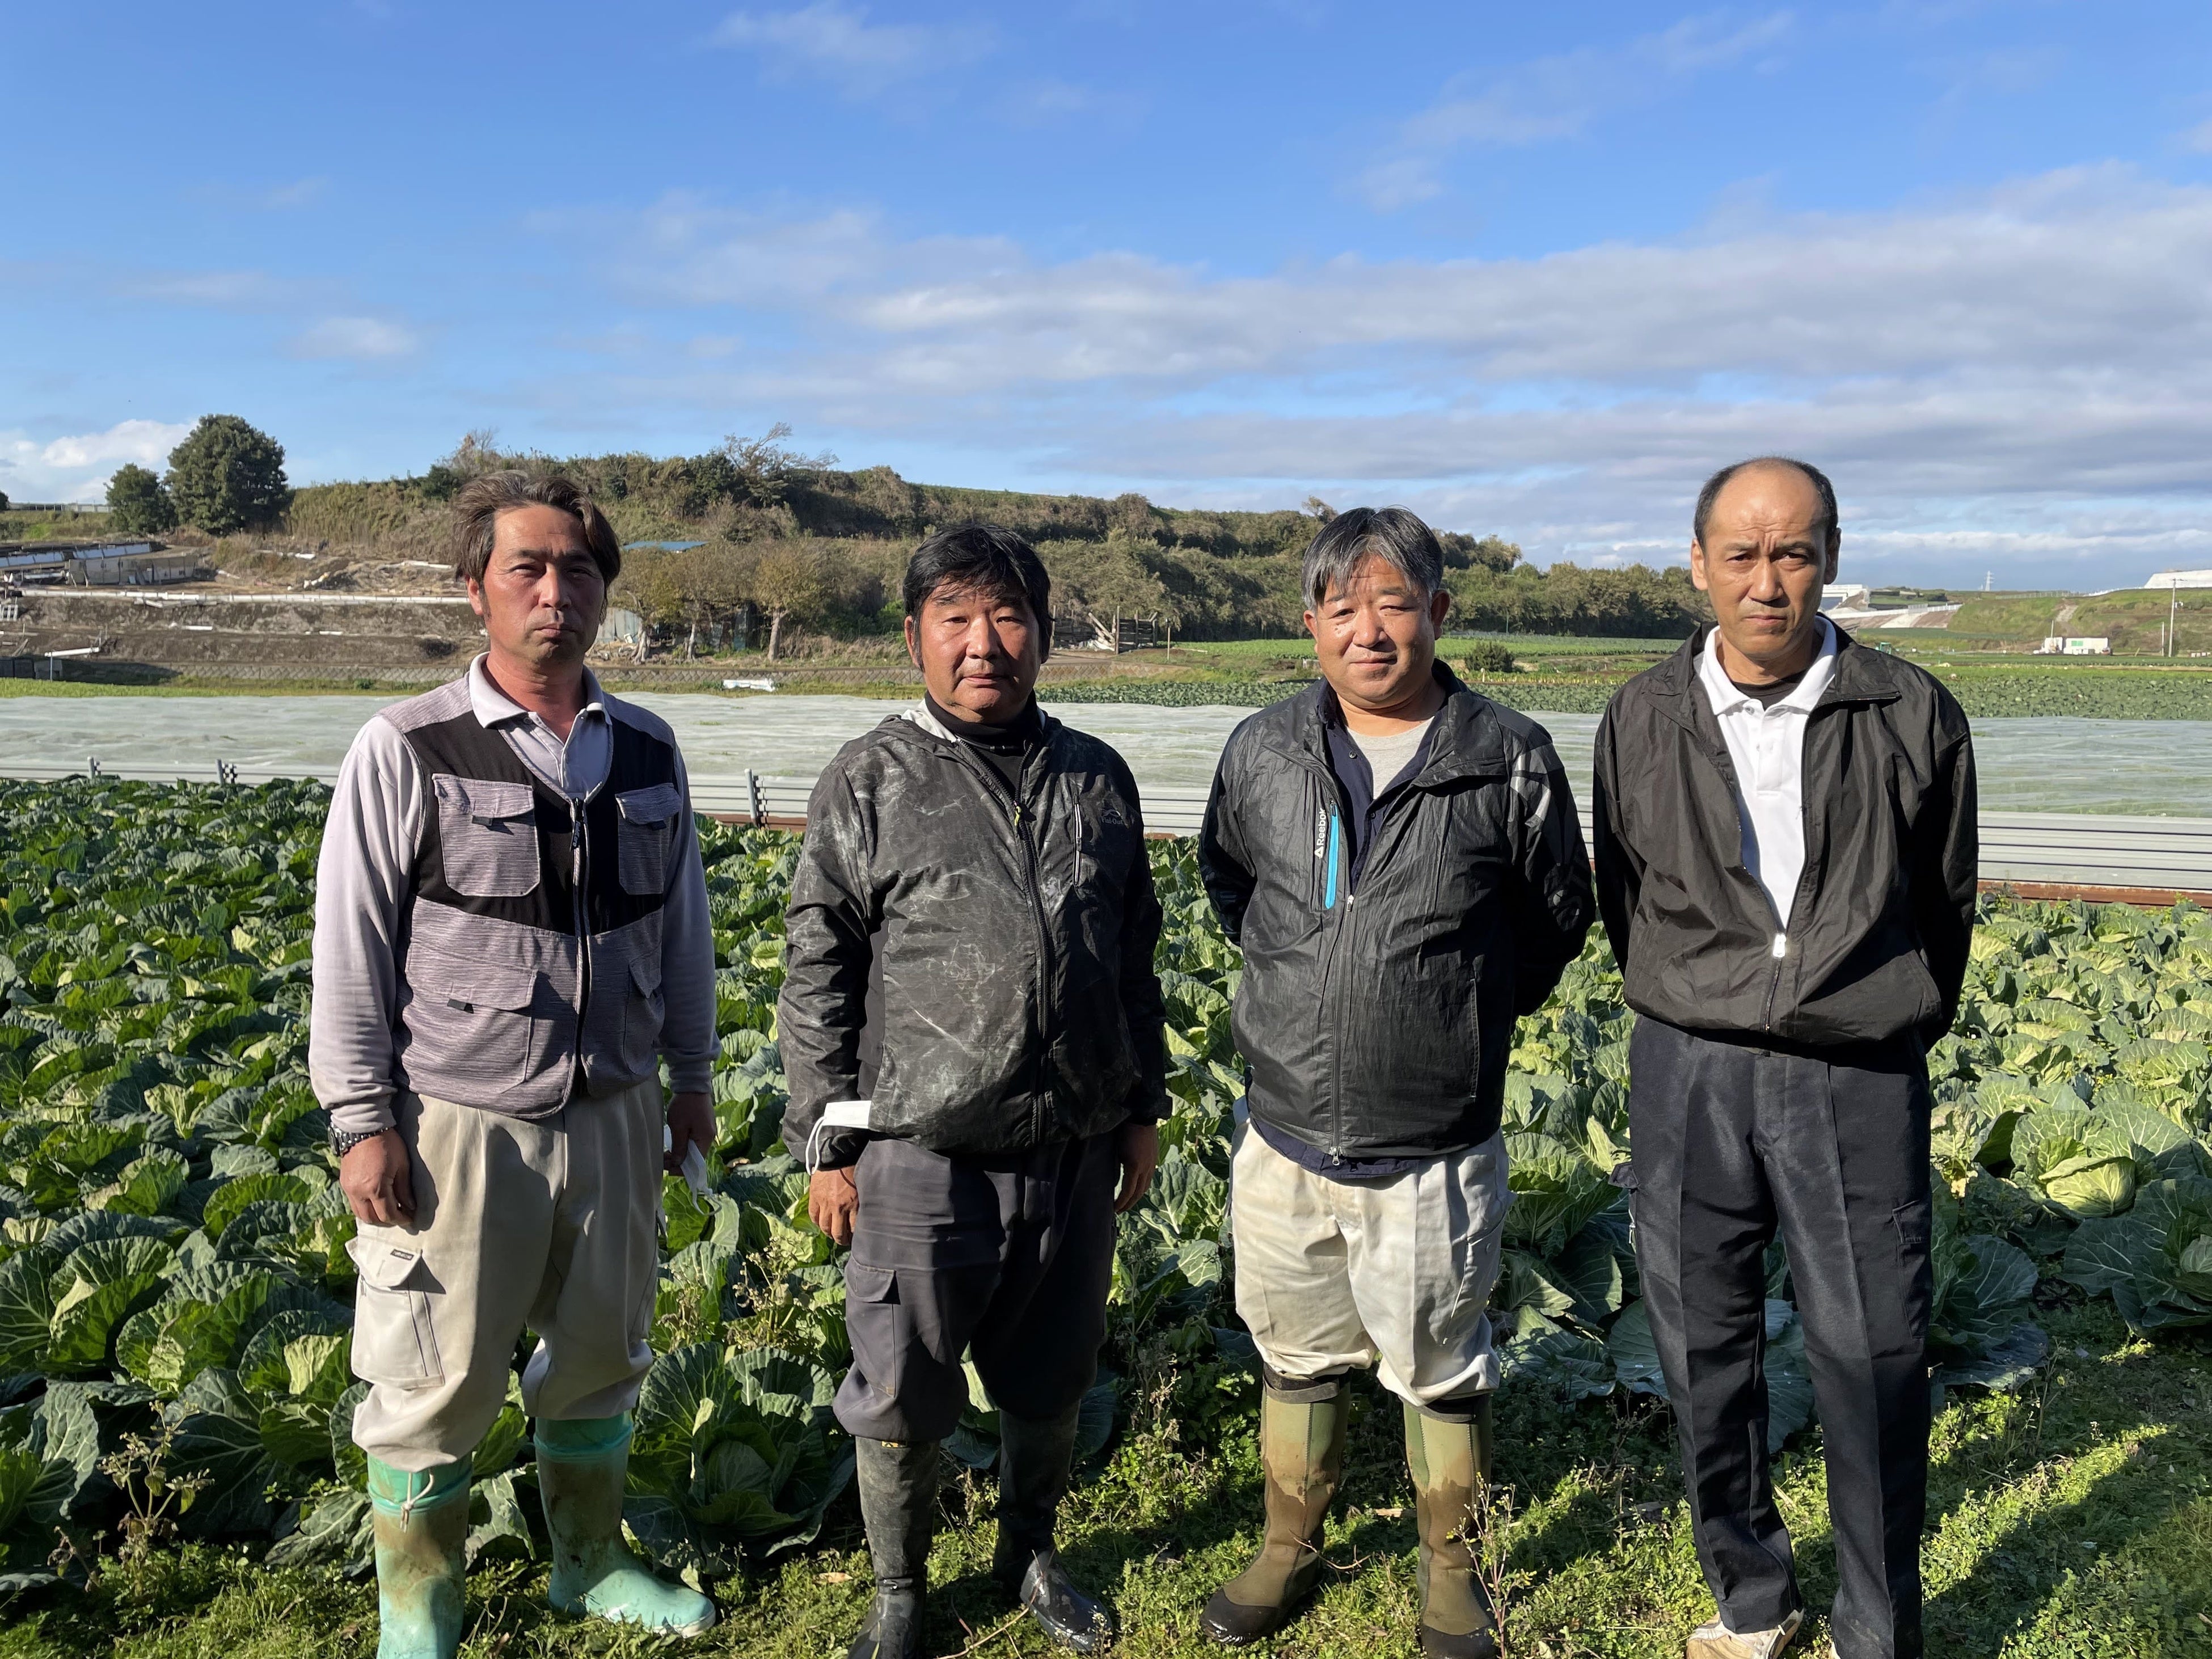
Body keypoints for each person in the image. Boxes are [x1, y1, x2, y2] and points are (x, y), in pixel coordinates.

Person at [309, 471, 721, 1659]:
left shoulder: (645, 745)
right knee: (428, 1374)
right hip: (458, 1118)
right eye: (528, 568)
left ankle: (588, 1561)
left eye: (580, 569)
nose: (556, 591)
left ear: (605, 592)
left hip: (616, 1106)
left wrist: (691, 1077)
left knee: (602, 1354)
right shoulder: (407, 745)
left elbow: (680, 926)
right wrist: (360, 1117)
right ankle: (420, 1610)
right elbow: (352, 946)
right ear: (476, 588)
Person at [1593, 458, 1978, 1659]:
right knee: (1704, 1342)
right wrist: (1711, 993)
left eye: (1795, 551)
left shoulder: (1912, 712)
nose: (1770, 581)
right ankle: (1750, 1596)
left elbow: (1944, 903)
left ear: (1831, 556)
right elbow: (1625, 890)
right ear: (1699, 564)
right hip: (1689, 1062)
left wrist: (1868, 1006)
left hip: (1853, 1069)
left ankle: (1878, 1628)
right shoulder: (1641, 715)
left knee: (1869, 1349)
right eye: (1744, 554)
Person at [1196, 506, 1595, 1657]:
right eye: (1345, 606)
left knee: (1438, 1362)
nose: (1371, 629)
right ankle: (1288, 1542)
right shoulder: (1261, 749)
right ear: (1310, 621)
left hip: (1434, 1148)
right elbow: (1234, 887)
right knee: (1293, 1348)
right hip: (1285, 1136)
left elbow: (1556, 915)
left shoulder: (1507, 753)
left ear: (1439, 614)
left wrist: (1450, 1012)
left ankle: (1449, 1567)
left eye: (1396, 602)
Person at [778, 524, 1168, 1659]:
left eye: (1006, 617)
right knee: (900, 1382)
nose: (982, 643)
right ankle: (901, 1587)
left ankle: (1028, 1552)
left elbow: (1133, 954)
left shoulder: (1096, 773)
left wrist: (1139, 1106)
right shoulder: (872, 776)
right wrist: (830, 1141)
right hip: (919, 1151)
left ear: (1041, 632)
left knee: (1051, 1378)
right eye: (955, 617)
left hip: (1072, 1144)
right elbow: (820, 969)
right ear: (915, 637)